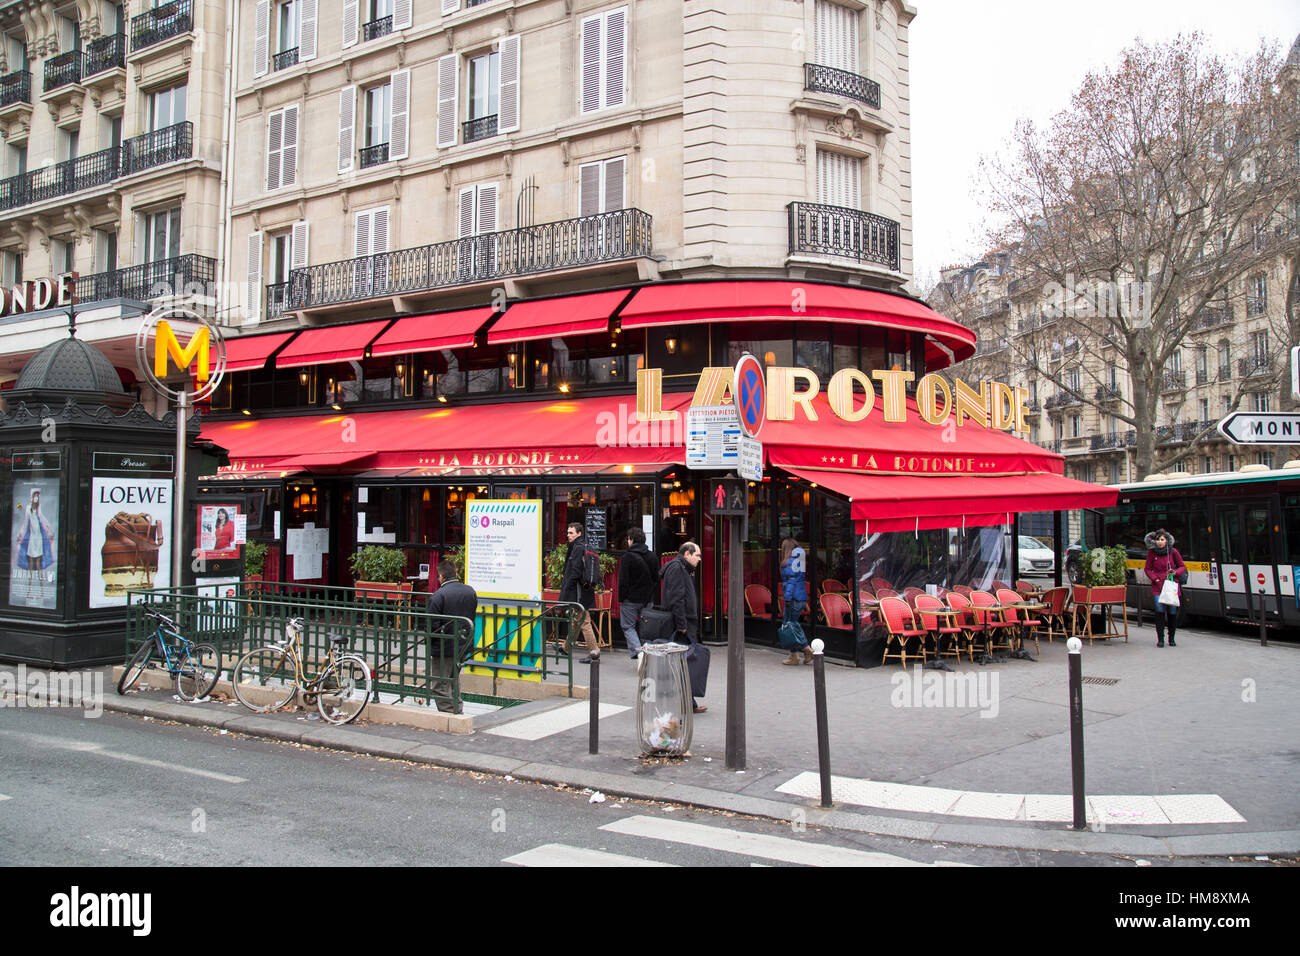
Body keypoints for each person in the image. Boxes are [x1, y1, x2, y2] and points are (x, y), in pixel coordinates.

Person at [425, 558, 478, 713]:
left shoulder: (438, 595)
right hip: (463, 644)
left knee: (439, 684)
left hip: (444, 646)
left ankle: (450, 712)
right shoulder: (470, 591)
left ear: (441, 577)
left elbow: (431, 625)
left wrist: (431, 643)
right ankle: (457, 707)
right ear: (455, 573)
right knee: (453, 679)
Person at [661, 541, 707, 713]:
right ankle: (686, 703)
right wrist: (682, 625)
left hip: (685, 622)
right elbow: (677, 598)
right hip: (682, 624)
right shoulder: (678, 569)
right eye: (697, 555)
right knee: (683, 662)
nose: (700, 559)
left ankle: (689, 702)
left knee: (684, 662)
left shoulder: (683, 568)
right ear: (686, 554)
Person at [560, 522, 601, 663]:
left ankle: (594, 651)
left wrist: (566, 587)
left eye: (571, 533)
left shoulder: (577, 548)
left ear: (579, 534)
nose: (568, 535)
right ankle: (566, 647)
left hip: (578, 591)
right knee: (577, 620)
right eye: (567, 532)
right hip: (585, 590)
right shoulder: (586, 546)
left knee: (584, 621)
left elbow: (575, 571)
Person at [617, 527, 658, 661]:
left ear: (632, 540)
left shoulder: (627, 557)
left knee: (628, 627)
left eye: (628, 539)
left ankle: (639, 653)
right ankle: (648, 654)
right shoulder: (652, 555)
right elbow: (656, 578)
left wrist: (622, 598)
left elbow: (623, 581)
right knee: (646, 628)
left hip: (630, 599)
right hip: (647, 599)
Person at [1144, 529, 1186, 648]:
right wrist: (1155, 579)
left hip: (1171, 584)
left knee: (1172, 612)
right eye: (1158, 540)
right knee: (1159, 610)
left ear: (1167, 540)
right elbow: (1147, 569)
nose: (1160, 542)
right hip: (1158, 585)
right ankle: (1160, 639)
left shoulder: (1173, 551)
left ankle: (1171, 638)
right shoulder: (1152, 553)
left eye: (1162, 540)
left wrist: (1175, 572)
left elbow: (1182, 566)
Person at [779, 537, 813, 665]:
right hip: (800, 597)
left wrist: (787, 599)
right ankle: (794, 656)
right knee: (790, 625)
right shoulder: (799, 562)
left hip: (793, 599)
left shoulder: (789, 563)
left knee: (791, 624)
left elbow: (791, 582)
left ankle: (806, 649)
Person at [16, 489, 55, 576]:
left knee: (38, 563)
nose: (36, 498)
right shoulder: (27, 508)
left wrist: (51, 531)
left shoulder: (38, 508)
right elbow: (25, 523)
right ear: (32, 497)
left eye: (38, 497)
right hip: (32, 538)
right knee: (31, 562)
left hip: (39, 538)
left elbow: (43, 520)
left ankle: (40, 585)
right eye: (35, 496)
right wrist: (20, 535)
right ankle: (30, 585)